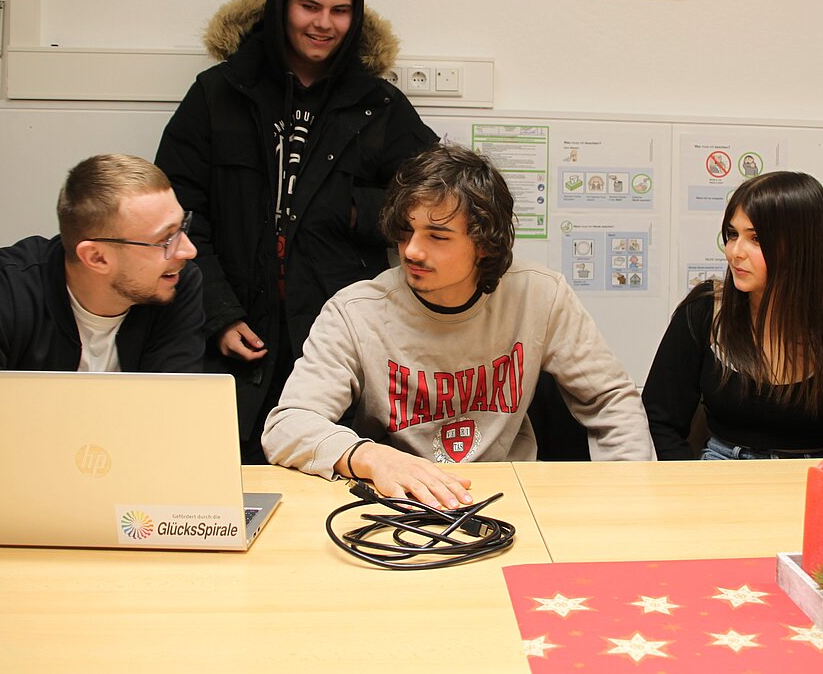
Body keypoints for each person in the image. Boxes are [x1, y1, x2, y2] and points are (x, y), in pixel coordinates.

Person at [155, 0, 437, 464]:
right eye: (309, 5)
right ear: (283, 1)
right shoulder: (219, 94)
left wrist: (353, 210)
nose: (322, 23)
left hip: (337, 338)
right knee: (223, 477)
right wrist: (215, 310)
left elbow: (431, 203)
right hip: (232, 335)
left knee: (333, 472)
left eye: (339, 10)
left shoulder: (379, 105)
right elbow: (177, 214)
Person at [262, 144, 655, 508]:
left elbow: (610, 400)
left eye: (437, 236)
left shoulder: (539, 295)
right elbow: (287, 425)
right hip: (398, 501)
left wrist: (629, 495)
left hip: (514, 497)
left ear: (484, 243)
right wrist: (370, 456)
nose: (412, 250)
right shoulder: (355, 311)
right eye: (407, 231)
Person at [0, 154, 205, 494]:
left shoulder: (175, 285)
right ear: (96, 257)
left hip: (91, 506)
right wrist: (113, 444)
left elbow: (174, 448)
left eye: (183, 227)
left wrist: (8, 445)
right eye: (166, 239)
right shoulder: (0, 289)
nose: (187, 250)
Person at [642, 171, 823, 460]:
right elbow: (658, 421)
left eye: (756, 238)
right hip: (720, 469)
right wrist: (692, 487)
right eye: (733, 235)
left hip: (813, 478)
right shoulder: (706, 308)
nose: (735, 252)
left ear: (801, 247)